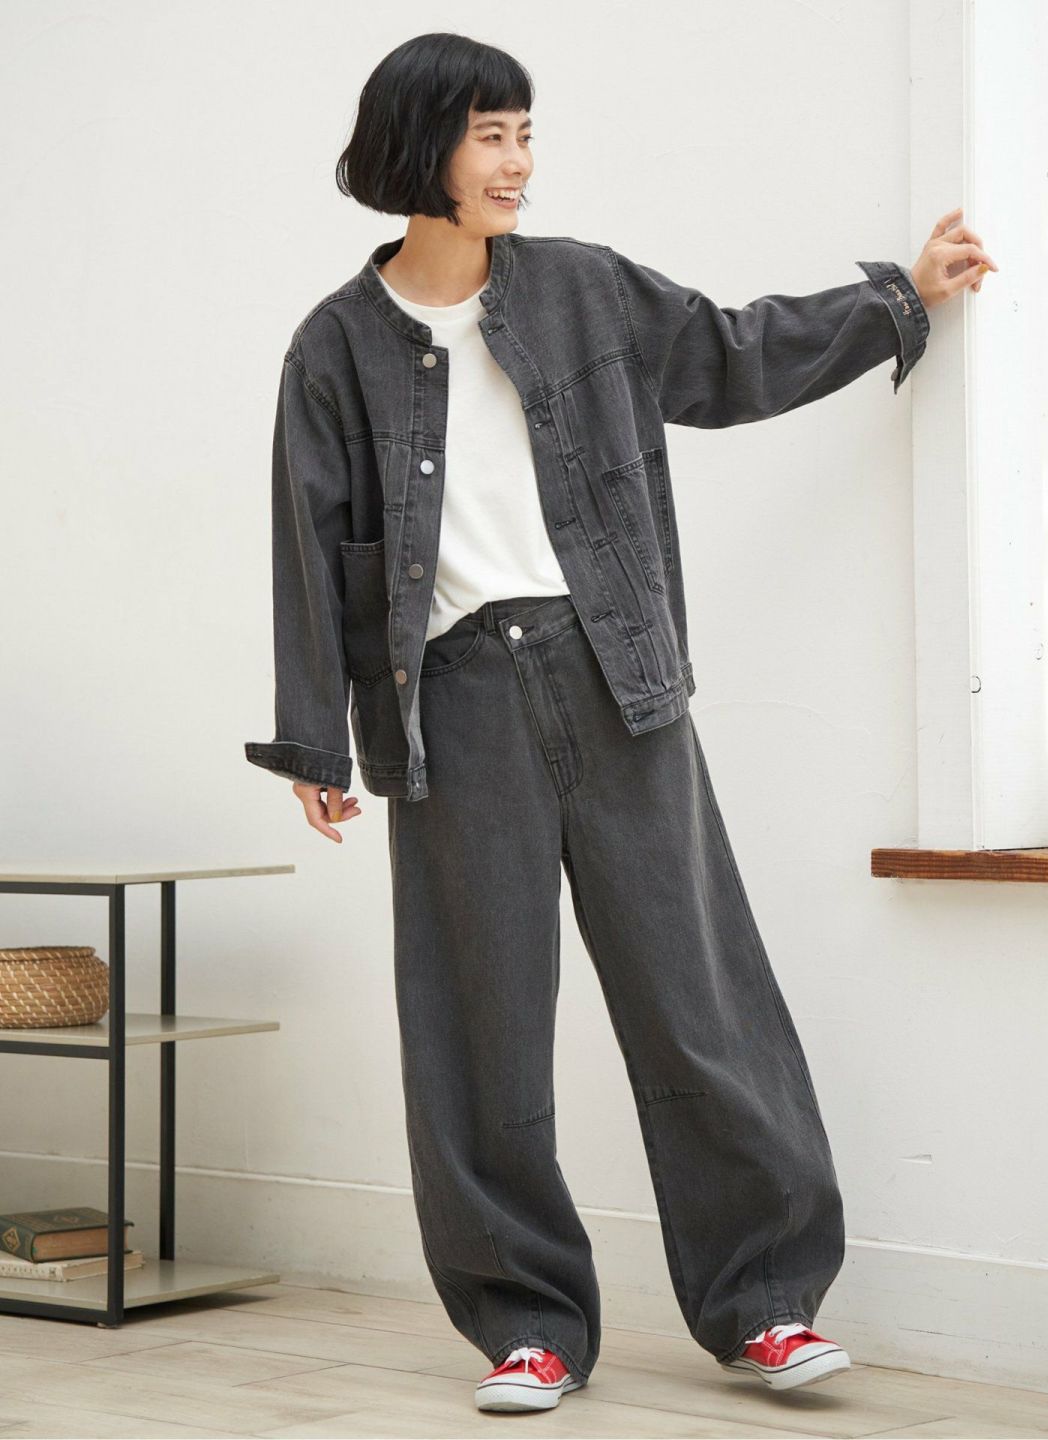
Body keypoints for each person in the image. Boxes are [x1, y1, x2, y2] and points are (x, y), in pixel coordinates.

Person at [244, 31, 997, 1416]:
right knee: (479, 1029)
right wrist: (317, 742)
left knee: (697, 998)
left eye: (525, 132)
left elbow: (728, 356)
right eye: (490, 135)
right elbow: (310, 545)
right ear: (419, 147)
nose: (518, 161)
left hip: (616, 674)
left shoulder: (583, 289)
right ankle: (526, 1323)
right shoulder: (335, 347)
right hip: (451, 701)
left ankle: (766, 1305)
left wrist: (898, 296)